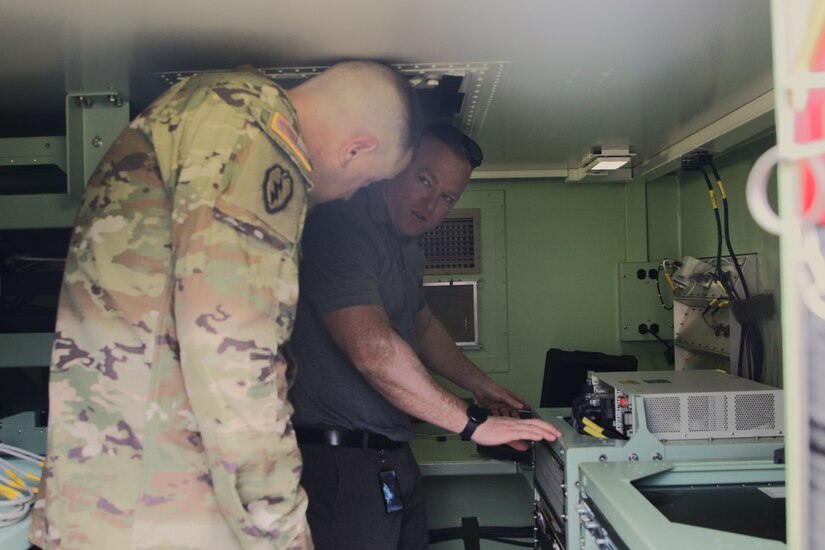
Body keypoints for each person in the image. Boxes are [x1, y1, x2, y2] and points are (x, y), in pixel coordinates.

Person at [29, 61, 420, 550]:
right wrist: (281, 529)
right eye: (365, 183)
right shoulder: (255, 135)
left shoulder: (212, 109)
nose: (350, 197)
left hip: (123, 494)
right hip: (162, 508)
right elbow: (233, 349)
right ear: (356, 149)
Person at [288, 122, 562, 549]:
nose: (431, 203)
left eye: (447, 197)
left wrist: (485, 390)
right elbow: (372, 350)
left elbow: (423, 324)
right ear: (394, 167)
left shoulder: (406, 247)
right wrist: (473, 424)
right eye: (424, 181)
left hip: (392, 456)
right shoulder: (341, 228)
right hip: (339, 462)